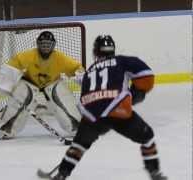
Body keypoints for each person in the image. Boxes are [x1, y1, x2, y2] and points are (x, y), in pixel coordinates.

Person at [50, 35, 168, 180]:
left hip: (91, 114)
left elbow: (85, 93)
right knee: (147, 136)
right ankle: (154, 172)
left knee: (79, 145)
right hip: (116, 109)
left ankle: (62, 174)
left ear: (95, 52)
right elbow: (146, 76)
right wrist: (136, 93)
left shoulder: (90, 71)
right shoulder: (122, 61)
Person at [0, 31, 84, 139]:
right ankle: (7, 128)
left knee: (63, 99)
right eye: (43, 44)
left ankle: (77, 126)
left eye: (48, 44)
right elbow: (13, 65)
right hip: (29, 82)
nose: (45, 47)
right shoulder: (28, 56)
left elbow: (76, 69)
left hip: (53, 83)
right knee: (22, 95)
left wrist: (84, 79)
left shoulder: (60, 58)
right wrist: (5, 84)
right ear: (37, 44)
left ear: (53, 45)